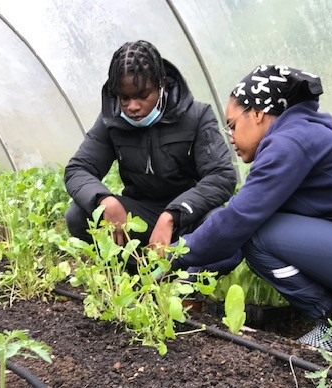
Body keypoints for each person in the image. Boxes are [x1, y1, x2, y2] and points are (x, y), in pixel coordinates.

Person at [168, 64, 332, 351]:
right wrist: (188, 276)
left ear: (257, 113)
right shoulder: (296, 137)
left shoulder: (289, 143)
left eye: (232, 124)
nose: (230, 136)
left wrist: (171, 257)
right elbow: (231, 229)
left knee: (256, 234)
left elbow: (238, 223)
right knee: (252, 228)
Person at [64, 40, 238, 271]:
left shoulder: (196, 116)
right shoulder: (111, 121)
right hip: (141, 214)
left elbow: (221, 176)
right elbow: (78, 169)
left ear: (161, 85)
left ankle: (186, 281)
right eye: (124, 98)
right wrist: (104, 200)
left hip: (187, 216)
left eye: (142, 95)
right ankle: (132, 273)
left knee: (222, 226)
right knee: (78, 214)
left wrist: (173, 214)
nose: (132, 106)